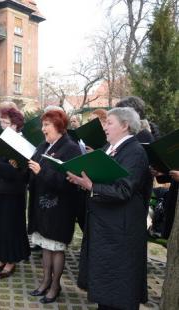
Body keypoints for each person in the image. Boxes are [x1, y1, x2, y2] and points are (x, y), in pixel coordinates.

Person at [68, 107, 150, 310]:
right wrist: (81, 179)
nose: (104, 127)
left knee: (119, 285)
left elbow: (124, 190)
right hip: (105, 227)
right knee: (105, 281)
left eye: (109, 123)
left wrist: (91, 186)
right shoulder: (108, 148)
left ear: (125, 125)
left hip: (121, 231)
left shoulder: (135, 151)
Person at [27, 109, 83, 304]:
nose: (43, 129)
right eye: (43, 125)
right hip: (41, 205)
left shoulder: (71, 148)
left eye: (47, 125)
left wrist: (41, 172)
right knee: (44, 245)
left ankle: (55, 286)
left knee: (56, 247)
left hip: (60, 207)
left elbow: (67, 182)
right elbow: (32, 166)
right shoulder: (44, 145)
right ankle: (44, 282)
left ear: (59, 126)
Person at [0, 107, 30, 279]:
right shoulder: (0, 139)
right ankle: (1, 258)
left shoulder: (21, 143)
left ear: (16, 125)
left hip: (12, 194)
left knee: (11, 227)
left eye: (7, 122)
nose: (3, 125)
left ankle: (11, 261)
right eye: (1, 122)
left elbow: (22, 173)